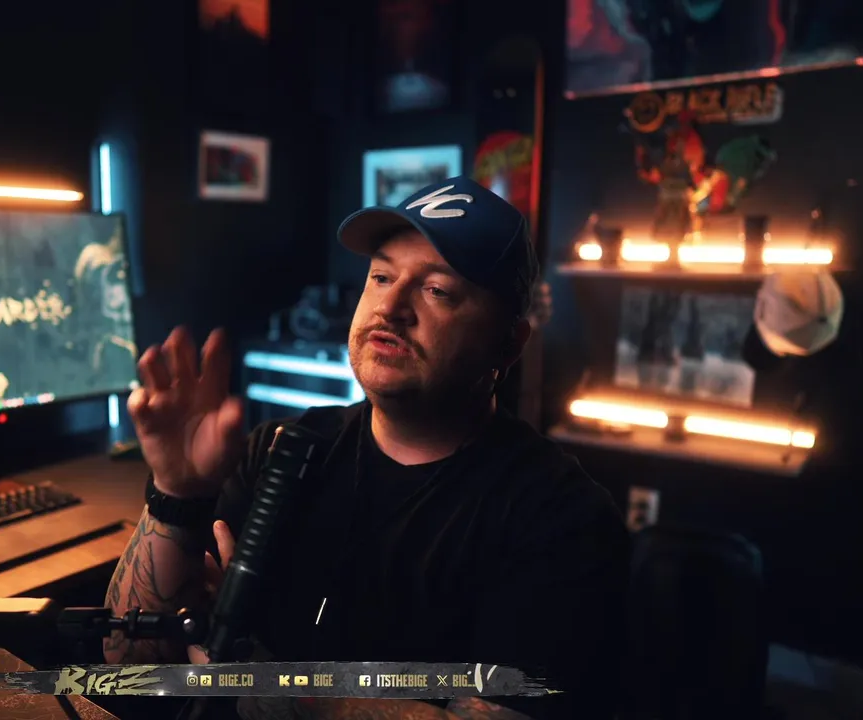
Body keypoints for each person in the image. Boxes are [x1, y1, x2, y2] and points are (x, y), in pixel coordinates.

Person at [103, 177, 629, 720]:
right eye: (381, 276)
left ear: (508, 343)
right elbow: (128, 667)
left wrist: (270, 688)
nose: (391, 307)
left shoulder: (559, 518)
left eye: (437, 290)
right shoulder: (282, 452)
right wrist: (176, 494)